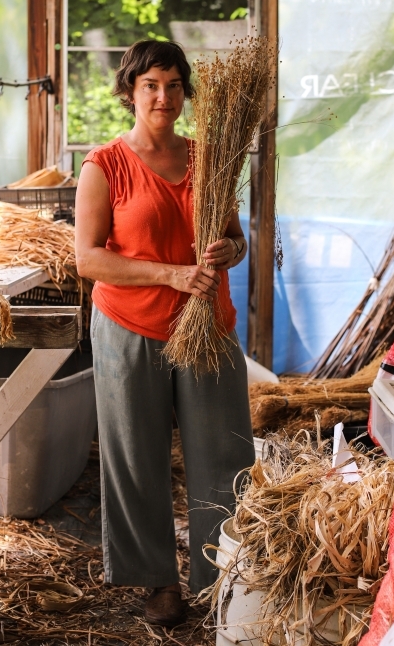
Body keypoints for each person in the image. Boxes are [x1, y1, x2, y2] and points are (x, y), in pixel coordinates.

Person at [74, 39, 255, 627]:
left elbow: (235, 238)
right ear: (130, 91)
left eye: (174, 85)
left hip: (208, 329)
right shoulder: (105, 166)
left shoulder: (210, 157)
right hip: (132, 328)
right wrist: (172, 274)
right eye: (151, 84)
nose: (163, 96)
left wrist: (230, 249)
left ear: (185, 93)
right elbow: (88, 260)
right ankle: (158, 581)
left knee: (223, 454)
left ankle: (218, 577)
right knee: (136, 457)